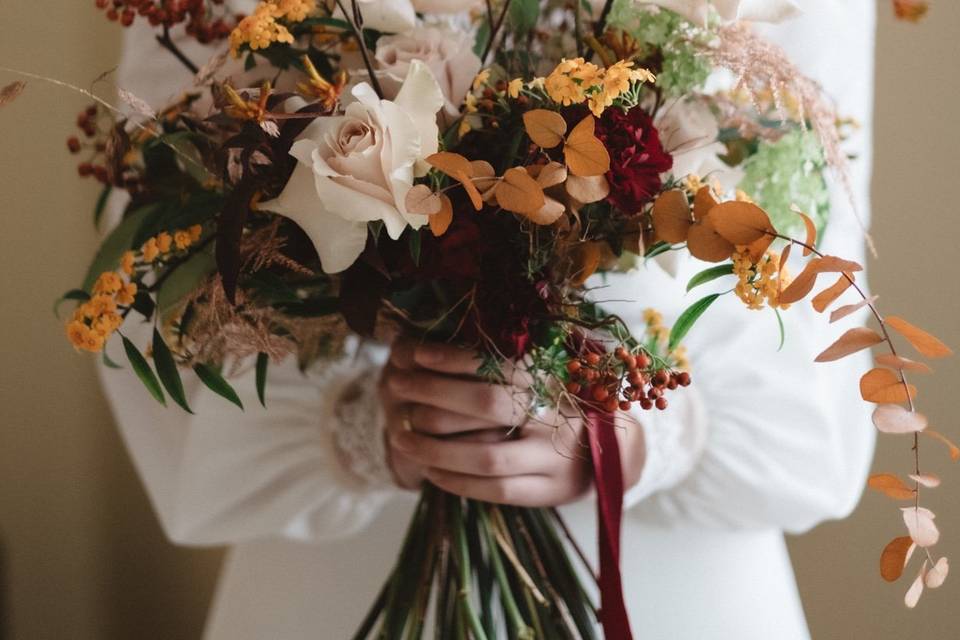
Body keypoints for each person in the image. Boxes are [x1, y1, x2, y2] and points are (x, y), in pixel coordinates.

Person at [101, 0, 877, 637]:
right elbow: (150, 255)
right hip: (334, 571)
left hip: (675, 580)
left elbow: (819, 257)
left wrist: (647, 435)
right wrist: (363, 433)